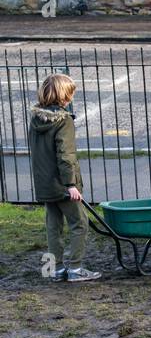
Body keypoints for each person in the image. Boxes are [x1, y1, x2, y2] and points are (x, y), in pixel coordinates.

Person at [30, 73, 99, 282]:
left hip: (45, 183)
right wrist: (70, 184)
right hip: (62, 184)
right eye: (71, 93)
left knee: (53, 225)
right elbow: (65, 155)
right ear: (64, 96)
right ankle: (76, 268)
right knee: (80, 223)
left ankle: (56, 269)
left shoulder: (36, 119)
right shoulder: (63, 121)